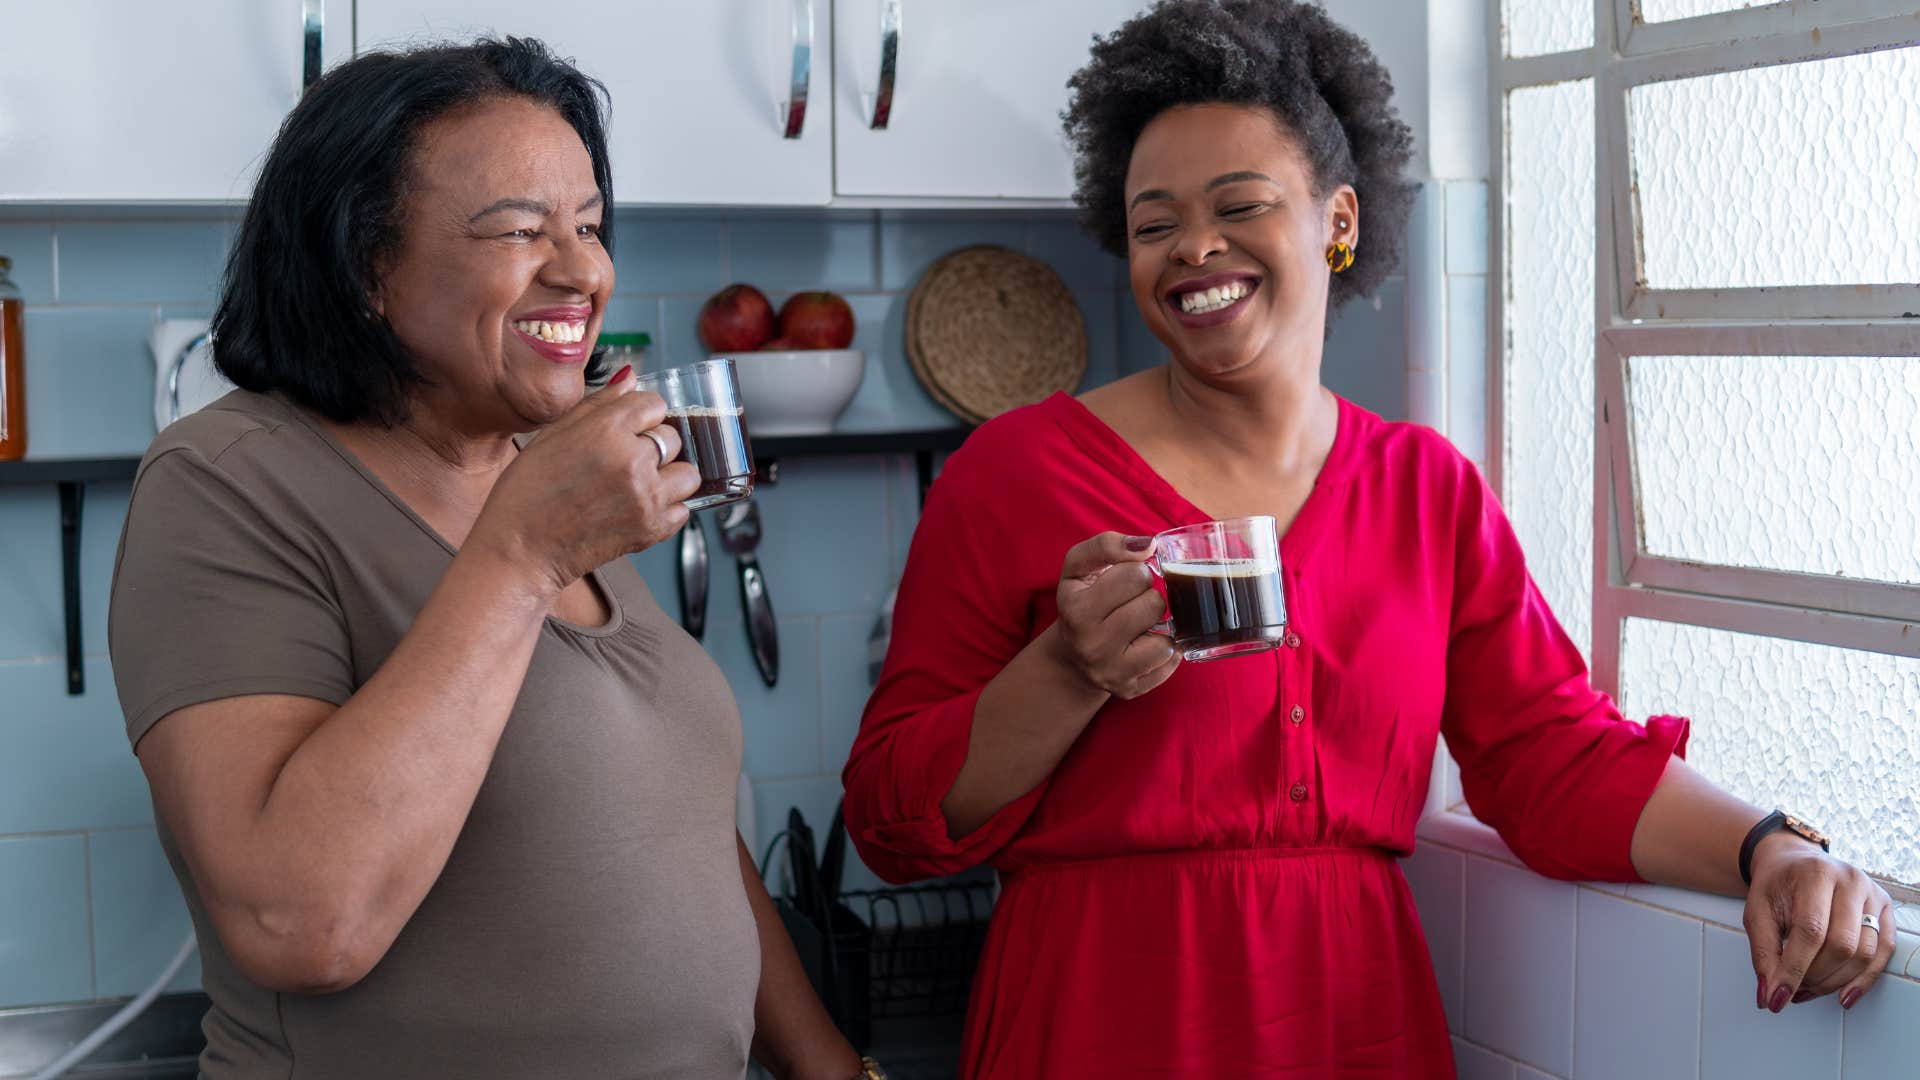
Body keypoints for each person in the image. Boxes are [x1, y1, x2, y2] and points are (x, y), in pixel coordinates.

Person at [840, 2, 1899, 1075]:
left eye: (1238, 205)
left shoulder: (1426, 491)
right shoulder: (1014, 476)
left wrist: (1768, 849)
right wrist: (1065, 669)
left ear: (1337, 219)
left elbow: (1552, 755)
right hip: (1097, 1020)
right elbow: (890, 819)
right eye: (1154, 223)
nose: (1194, 248)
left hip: (1352, 1025)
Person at [109, 38, 872, 1080]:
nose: (584, 271)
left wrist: (833, 1069)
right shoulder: (225, 481)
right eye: (520, 230)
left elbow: (672, 834)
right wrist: (521, 555)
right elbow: (298, 925)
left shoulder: (537, 468)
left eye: (591, 227)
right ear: (367, 265)